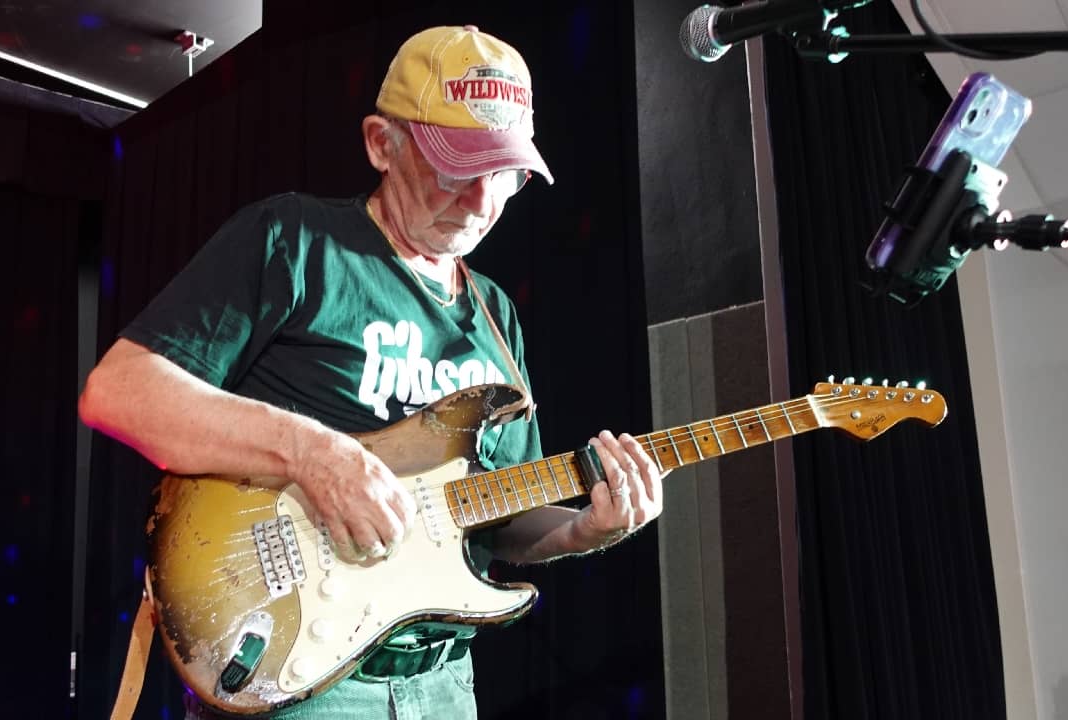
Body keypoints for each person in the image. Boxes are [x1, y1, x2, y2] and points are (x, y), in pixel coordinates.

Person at [79, 24, 664, 720]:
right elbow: (117, 392)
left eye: (504, 175)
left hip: (441, 684)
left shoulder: (496, 316)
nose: (482, 203)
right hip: (298, 672)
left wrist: (581, 532)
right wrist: (311, 452)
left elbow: (496, 518)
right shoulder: (293, 243)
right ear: (381, 145)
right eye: (455, 170)